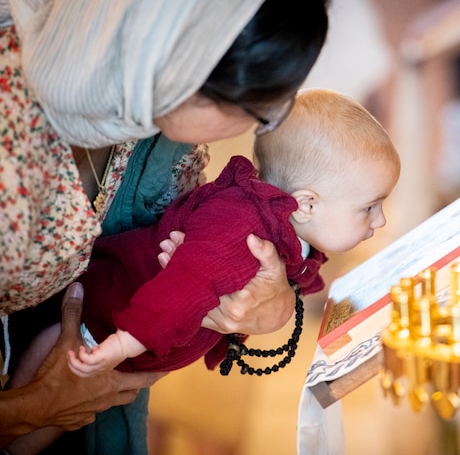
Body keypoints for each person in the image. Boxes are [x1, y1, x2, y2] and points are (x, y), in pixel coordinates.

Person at [0, 0, 329, 452]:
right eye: (258, 113)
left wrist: (273, 304)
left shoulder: (150, 120)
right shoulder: (10, 121)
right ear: (182, 68)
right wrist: (26, 412)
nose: (255, 132)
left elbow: (205, 268)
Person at [8, 88, 401, 452]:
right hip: (105, 323)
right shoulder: (239, 229)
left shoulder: (285, 228)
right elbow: (184, 284)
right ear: (307, 204)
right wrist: (127, 341)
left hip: (129, 343)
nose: (380, 220)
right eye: (370, 206)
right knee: (38, 409)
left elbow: (297, 277)